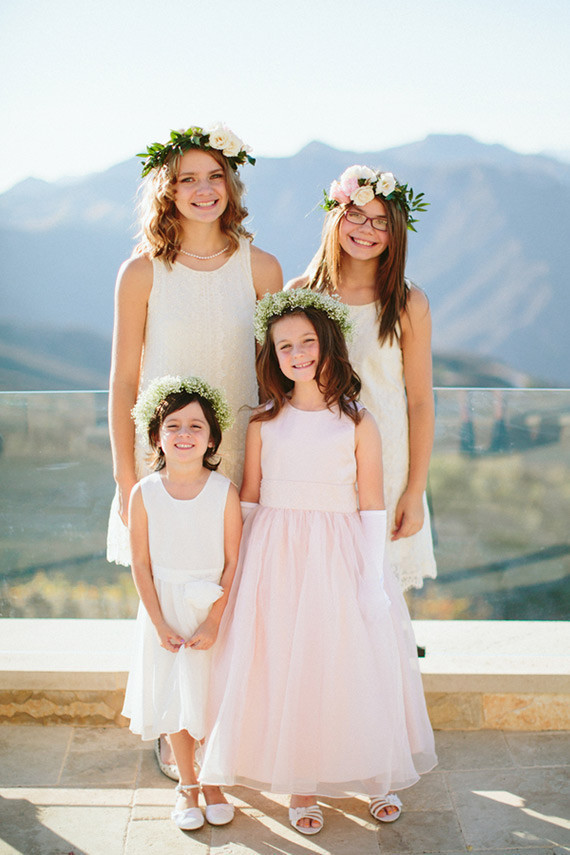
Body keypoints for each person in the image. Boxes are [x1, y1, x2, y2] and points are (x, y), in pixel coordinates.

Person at [199, 290, 437, 835]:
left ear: (329, 344)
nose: (298, 353)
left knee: (348, 660)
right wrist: (238, 567)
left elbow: (371, 505)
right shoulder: (263, 422)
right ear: (272, 356)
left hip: (338, 555)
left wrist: (372, 579)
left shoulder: (357, 422)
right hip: (275, 556)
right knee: (288, 662)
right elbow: (250, 499)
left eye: (307, 341)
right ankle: (300, 782)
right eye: (284, 346)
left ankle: (375, 773)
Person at [106, 123, 282, 775]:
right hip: (166, 464)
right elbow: (124, 380)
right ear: (168, 190)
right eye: (188, 179)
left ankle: (227, 728)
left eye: (214, 177)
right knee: (171, 596)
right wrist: (125, 475)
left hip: (239, 462)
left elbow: (275, 373)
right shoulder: (140, 272)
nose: (203, 190)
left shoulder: (261, 267)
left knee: (233, 594)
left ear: (230, 184)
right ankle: (173, 728)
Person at [287, 165, 436, 595]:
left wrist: (415, 491)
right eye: (356, 215)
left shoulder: (407, 302)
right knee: (321, 587)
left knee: (378, 592)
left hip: (387, 458)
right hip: (316, 458)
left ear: (396, 234)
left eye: (381, 223)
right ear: (336, 217)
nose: (366, 230)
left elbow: (420, 402)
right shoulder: (301, 295)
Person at [122, 375, 241, 830]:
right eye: (173, 425)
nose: (184, 434)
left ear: (211, 438)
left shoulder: (224, 491)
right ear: (157, 436)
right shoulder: (145, 493)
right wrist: (158, 623)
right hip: (165, 608)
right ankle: (187, 785)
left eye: (196, 426)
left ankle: (213, 781)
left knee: (209, 696)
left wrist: (214, 620)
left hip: (211, 608)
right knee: (174, 695)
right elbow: (140, 563)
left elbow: (232, 562)